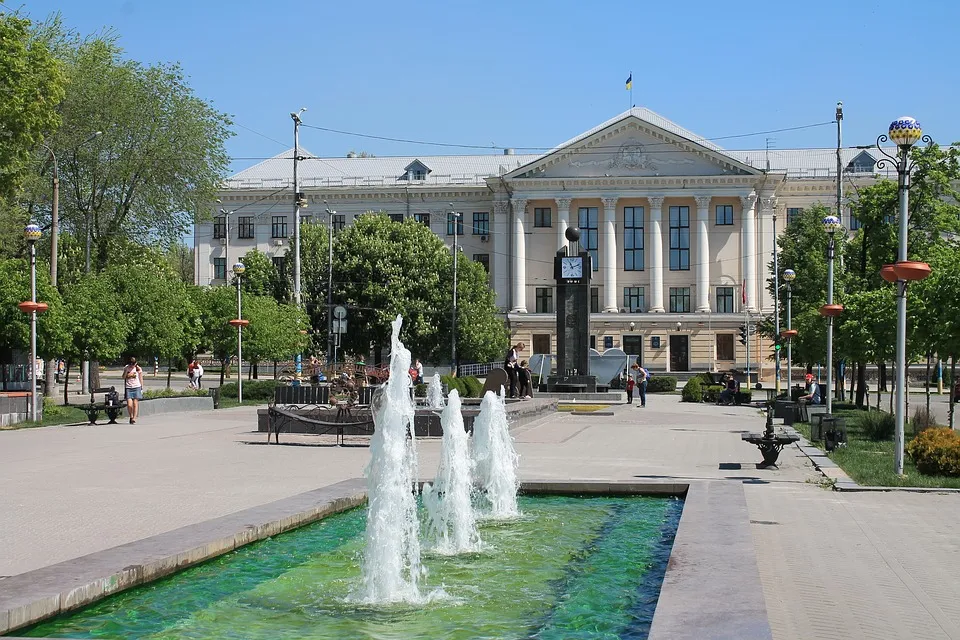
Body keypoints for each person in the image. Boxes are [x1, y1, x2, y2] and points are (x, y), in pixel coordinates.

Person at [122, 356, 144, 424]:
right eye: (130, 363)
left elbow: (141, 378)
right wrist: (126, 371)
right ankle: (131, 416)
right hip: (128, 387)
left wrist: (141, 387)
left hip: (136, 387)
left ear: (136, 363)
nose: (132, 365)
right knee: (129, 404)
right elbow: (123, 377)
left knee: (135, 403)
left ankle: (134, 418)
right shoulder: (126, 367)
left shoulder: (138, 369)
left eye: (133, 363)